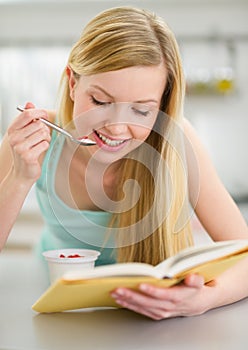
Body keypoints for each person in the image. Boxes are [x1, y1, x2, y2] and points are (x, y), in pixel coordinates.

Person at [0, 6, 248, 320]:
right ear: (73, 84)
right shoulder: (33, 138)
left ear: (161, 106)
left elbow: (244, 256)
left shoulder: (179, 140)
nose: (116, 128)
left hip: (146, 319)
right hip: (55, 305)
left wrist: (204, 299)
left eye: (141, 111)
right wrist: (19, 178)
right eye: (101, 102)